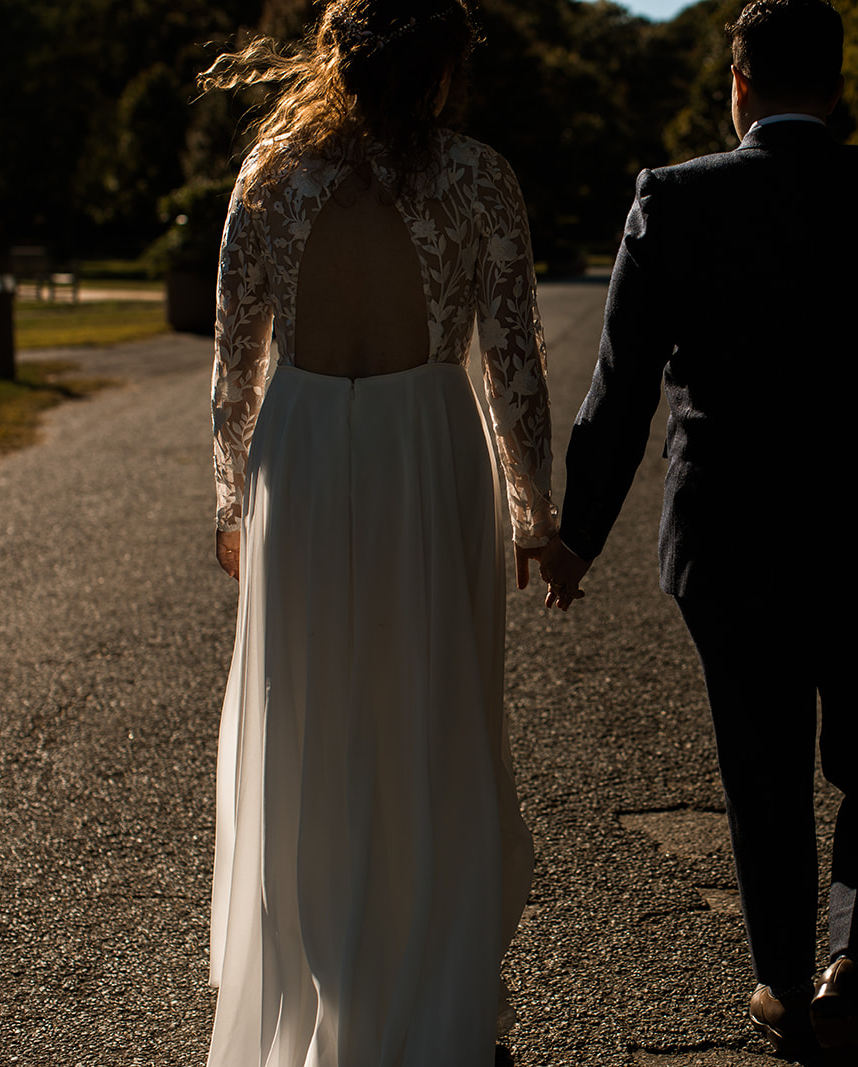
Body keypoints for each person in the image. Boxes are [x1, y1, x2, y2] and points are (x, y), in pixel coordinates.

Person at [537, 2, 858, 1064]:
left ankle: (786, 985)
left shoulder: (675, 198)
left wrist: (578, 536)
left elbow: (618, 393)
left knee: (763, 763)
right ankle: (855, 966)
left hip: (729, 531)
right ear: (837, 90)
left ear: (735, 85)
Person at [199, 2, 557, 1063]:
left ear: (334, 59)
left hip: (303, 452)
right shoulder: (480, 175)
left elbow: (233, 362)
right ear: (443, 68)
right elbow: (516, 360)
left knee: (311, 722)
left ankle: (327, 998)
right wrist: (538, 510)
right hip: (424, 442)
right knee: (431, 715)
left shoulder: (270, 174)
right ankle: (426, 996)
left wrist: (232, 500)